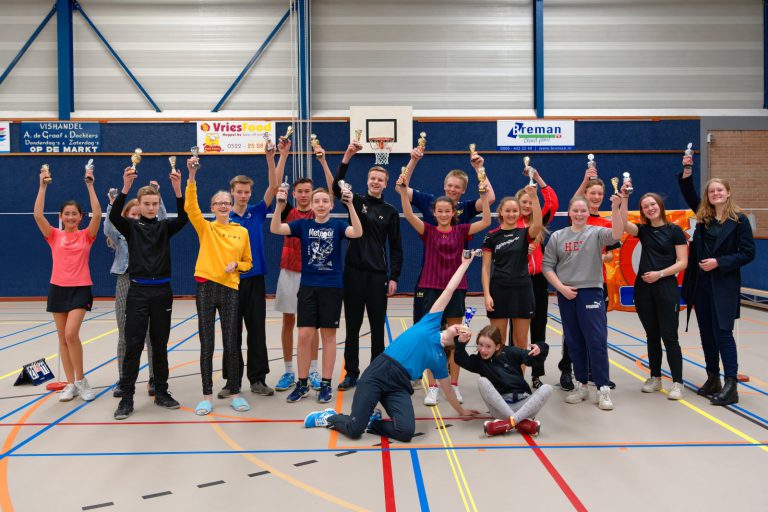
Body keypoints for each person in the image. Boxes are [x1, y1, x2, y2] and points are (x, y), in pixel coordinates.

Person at [303, 252, 481, 441]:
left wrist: (461, 411)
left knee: (405, 432)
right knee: (354, 430)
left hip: (399, 387)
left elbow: (448, 391)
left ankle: (371, 422)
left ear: (455, 343)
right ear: (448, 326)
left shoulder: (439, 358)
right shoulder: (431, 322)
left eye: (461, 335)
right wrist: (465, 264)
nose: (459, 329)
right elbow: (450, 290)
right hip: (378, 374)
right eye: (458, 327)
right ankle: (329, 417)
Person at [398, 166, 491, 406]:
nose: (443, 214)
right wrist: (403, 191)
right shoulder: (427, 230)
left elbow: (487, 220)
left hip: (456, 288)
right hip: (430, 286)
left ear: (452, 212)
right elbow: (408, 214)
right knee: (431, 338)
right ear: (435, 212)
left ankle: (454, 385)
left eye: (446, 211)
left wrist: (483, 195)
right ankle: (433, 387)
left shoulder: (462, 231)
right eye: (439, 211)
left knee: (456, 336)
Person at [109, 166, 188, 420]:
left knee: (160, 345)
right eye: (147, 204)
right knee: (133, 345)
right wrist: (125, 187)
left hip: (162, 292)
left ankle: (161, 392)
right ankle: (127, 398)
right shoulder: (131, 227)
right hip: (138, 292)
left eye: (155, 203)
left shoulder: (165, 227)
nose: (152, 208)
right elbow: (114, 216)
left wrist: (177, 190)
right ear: (140, 205)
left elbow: (184, 217)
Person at [270, 186, 362, 403]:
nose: (321, 205)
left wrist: (350, 205)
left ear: (331, 205)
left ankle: (326, 384)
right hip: (308, 287)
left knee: (328, 336)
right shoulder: (303, 225)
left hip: (331, 287)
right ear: (311, 205)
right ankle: (302, 384)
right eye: (317, 201)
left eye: (325, 201)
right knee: (304, 335)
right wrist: (279, 205)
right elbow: (275, 228)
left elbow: (357, 232)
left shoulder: (338, 225)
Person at [323, 140, 403, 391]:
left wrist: (394, 276)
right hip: (354, 274)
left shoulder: (390, 211)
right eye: (372, 178)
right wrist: (347, 156)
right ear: (367, 181)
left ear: (386, 184)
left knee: (377, 327)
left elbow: (396, 247)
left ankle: (376, 374)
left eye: (380, 179)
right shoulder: (354, 201)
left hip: (378, 276)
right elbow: (336, 186)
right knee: (353, 326)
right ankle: (351, 372)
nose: (376, 182)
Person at [678, 164, 755, 406]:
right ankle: (713, 378)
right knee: (706, 334)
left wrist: (719, 262)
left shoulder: (740, 221)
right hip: (701, 285)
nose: (716, 194)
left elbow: (748, 253)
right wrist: (687, 175)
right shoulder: (704, 217)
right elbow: (689, 193)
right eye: (711, 191)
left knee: (723, 333)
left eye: (719, 190)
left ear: (728, 193)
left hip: (723, 286)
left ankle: (731, 384)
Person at [185, 157, 253, 415]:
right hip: (206, 288)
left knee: (231, 344)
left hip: (230, 290)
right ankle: (206, 396)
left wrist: (237, 265)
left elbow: (248, 262)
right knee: (207, 344)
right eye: (218, 203)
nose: (223, 205)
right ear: (212, 207)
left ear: (231, 206)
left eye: (227, 202)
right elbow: (190, 207)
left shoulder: (241, 231)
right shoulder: (206, 228)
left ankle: (235, 393)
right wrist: (192, 176)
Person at [542, 195, 623, 410]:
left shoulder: (596, 233)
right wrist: (561, 288)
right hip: (566, 294)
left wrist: (616, 208)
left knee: (596, 341)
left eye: (583, 211)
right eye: (575, 210)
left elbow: (617, 234)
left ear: (588, 212)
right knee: (574, 341)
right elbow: (547, 266)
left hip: (591, 293)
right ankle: (582, 385)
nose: (579, 214)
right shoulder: (558, 236)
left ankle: (603, 388)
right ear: (569, 212)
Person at [33, 163, 101, 402]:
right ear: (61, 217)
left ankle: (81, 381)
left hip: (80, 289)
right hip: (57, 289)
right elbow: (38, 215)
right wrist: (42, 186)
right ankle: (70, 384)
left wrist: (90, 186)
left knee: (71, 334)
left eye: (75, 214)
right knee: (62, 338)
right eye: (67, 214)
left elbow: (98, 214)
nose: (71, 217)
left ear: (80, 217)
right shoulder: (54, 235)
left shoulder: (87, 236)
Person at [221, 137, 281, 399]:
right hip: (231, 282)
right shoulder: (224, 218)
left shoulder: (257, 212)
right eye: (239, 191)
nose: (243, 195)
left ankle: (258, 379)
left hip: (255, 280)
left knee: (256, 331)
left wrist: (270, 158)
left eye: (247, 192)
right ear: (232, 192)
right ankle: (231, 381)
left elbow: (274, 186)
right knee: (231, 334)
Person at [615, 184, 688, 399]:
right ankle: (655, 377)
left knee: (670, 336)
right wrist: (624, 198)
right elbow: (622, 223)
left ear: (660, 205)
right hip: (643, 290)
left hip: (666, 288)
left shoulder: (675, 231)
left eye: (652, 204)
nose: (650, 208)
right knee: (652, 335)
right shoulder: (643, 231)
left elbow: (682, 262)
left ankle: (678, 382)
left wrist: (660, 274)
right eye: (645, 206)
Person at [558, 167, 620, 391]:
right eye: (592, 193)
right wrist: (585, 179)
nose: (596, 197)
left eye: (599, 194)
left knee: (596, 331)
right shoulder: (578, 216)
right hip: (572, 282)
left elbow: (611, 254)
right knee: (572, 331)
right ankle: (567, 370)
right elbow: (574, 201)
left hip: (595, 283)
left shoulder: (606, 223)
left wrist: (599, 256)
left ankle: (595, 372)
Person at [104, 182, 167, 398]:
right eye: (132, 214)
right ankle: (124, 379)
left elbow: (162, 218)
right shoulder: (122, 233)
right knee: (125, 334)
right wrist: (112, 204)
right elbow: (109, 226)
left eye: (139, 213)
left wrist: (157, 194)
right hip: (126, 280)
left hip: (148, 283)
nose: (136, 217)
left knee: (151, 335)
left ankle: (154, 378)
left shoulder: (153, 229)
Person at [454, 325, 552, 437]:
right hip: (500, 408)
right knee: (482, 381)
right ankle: (520, 422)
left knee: (547, 388)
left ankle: (508, 423)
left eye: (488, 346)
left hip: (524, 405)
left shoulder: (511, 352)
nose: (483, 350)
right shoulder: (479, 361)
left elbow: (531, 359)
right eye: (480, 345)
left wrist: (541, 348)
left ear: (497, 346)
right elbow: (461, 359)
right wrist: (460, 343)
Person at [273, 174, 321, 392]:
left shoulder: (319, 213)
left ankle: (313, 371)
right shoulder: (287, 212)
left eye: (307, 191)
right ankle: (288, 370)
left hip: (313, 274)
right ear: (293, 194)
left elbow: (333, 191)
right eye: (299, 191)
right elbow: (275, 186)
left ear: (312, 193)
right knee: (288, 320)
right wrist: (281, 158)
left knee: (312, 324)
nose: (303, 195)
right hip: (289, 271)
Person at [482, 188, 543, 354]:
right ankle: (499, 372)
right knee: (498, 342)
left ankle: (519, 373)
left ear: (519, 213)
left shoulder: (525, 233)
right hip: (499, 290)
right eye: (507, 211)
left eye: (515, 211)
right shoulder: (491, 236)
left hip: (522, 290)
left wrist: (534, 198)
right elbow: (486, 268)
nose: (511, 214)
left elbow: (538, 224)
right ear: (501, 212)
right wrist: (487, 294)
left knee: (521, 343)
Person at [514, 167, 558, 388]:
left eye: (530, 202)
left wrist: (539, 178)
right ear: (517, 203)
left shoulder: (539, 223)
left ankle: (536, 373)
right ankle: (515, 371)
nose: (527, 205)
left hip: (538, 281)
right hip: (517, 280)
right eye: (523, 202)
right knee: (517, 329)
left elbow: (553, 202)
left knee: (539, 326)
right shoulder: (510, 223)